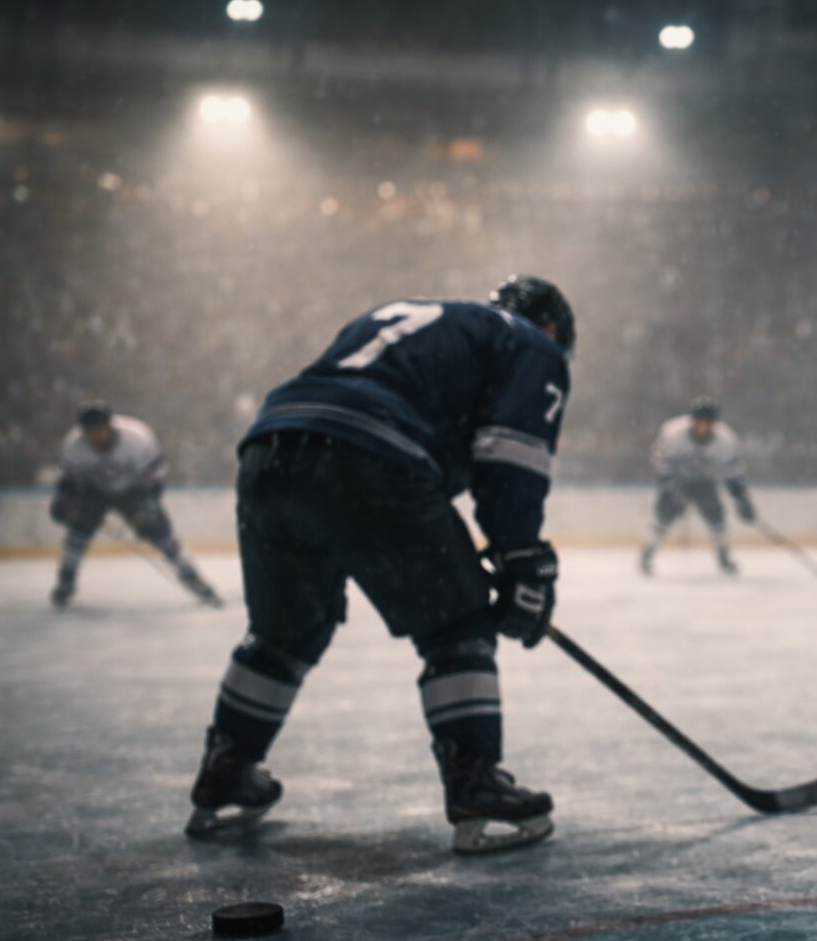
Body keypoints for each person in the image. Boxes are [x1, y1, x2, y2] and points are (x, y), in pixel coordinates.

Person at [184, 276, 575, 855]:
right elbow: (510, 452)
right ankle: (474, 784)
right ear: (552, 329)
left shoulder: (422, 317)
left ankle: (226, 770)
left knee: (284, 632)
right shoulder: (530, 343)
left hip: (269, 450)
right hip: (370, 454)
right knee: (457, 624)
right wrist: (519, 555)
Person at [49, 402, 220, 608]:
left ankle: (195, 580)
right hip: (94, 492)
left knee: (163, 537)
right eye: (91, 432)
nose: (97, 436)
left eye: (100, 429)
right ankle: (65, 581)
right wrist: (63, 501)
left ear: (110, 426)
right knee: (77, 535)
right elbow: (68, 480)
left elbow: (156, 473)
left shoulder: (137, 438)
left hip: (134, 490)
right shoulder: (73, 446)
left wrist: (150, 501)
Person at [639, 398, 756, 576]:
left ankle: (723, 558)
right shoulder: (674, 433)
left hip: (704, 482)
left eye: (708, 423)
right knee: (662, 519)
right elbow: (660, 458)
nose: (703, 427)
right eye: (699, 422)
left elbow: (732, 471)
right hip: (676, 481)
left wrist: (741, 498)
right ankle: (647, 554)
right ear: (692, 420)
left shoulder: (725, 441)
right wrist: (667, 483)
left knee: (718, 521)